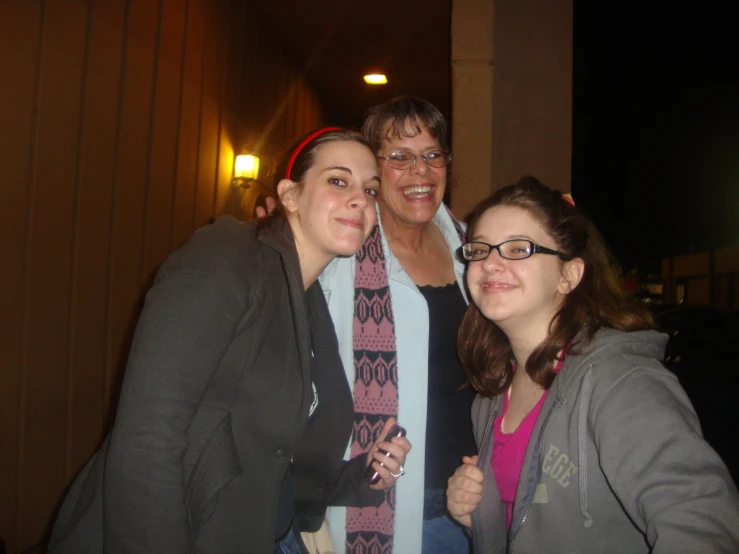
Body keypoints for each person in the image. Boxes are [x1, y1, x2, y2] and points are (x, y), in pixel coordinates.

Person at [47, 127, 411, 554]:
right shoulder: (228, 255)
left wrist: (357, 476)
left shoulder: (310, 303)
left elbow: (273, 455)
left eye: (370, 190)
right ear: (290, 196)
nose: (359, 199)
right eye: (338, 180)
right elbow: (146, 435)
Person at [446, 176, 739, 552]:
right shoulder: (490, 394)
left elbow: (700, 515)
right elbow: (531, 522)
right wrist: (477, 514)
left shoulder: (619, 380)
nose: (490, 263)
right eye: (480, 249)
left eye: (518, 249)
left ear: (569, 275)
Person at [318, 96, 476, 554]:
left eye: (432, 155)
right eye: (400, 158)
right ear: (374, 169)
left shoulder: (474, 250)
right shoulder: (340, 257)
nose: (420, 171)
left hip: (468, 498)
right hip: (374, 502)